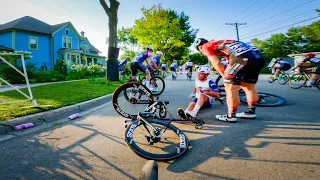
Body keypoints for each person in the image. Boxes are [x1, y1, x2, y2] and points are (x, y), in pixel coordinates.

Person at [195, 38, 265, 122]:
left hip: (241, 57)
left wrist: (225, 77)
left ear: (199, 47)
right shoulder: (222, 43)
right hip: (258, 57)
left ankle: (231, 116)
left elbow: (217, 63)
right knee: (248, 87)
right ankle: (251, 112)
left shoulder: (205, 46)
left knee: (230, 88)